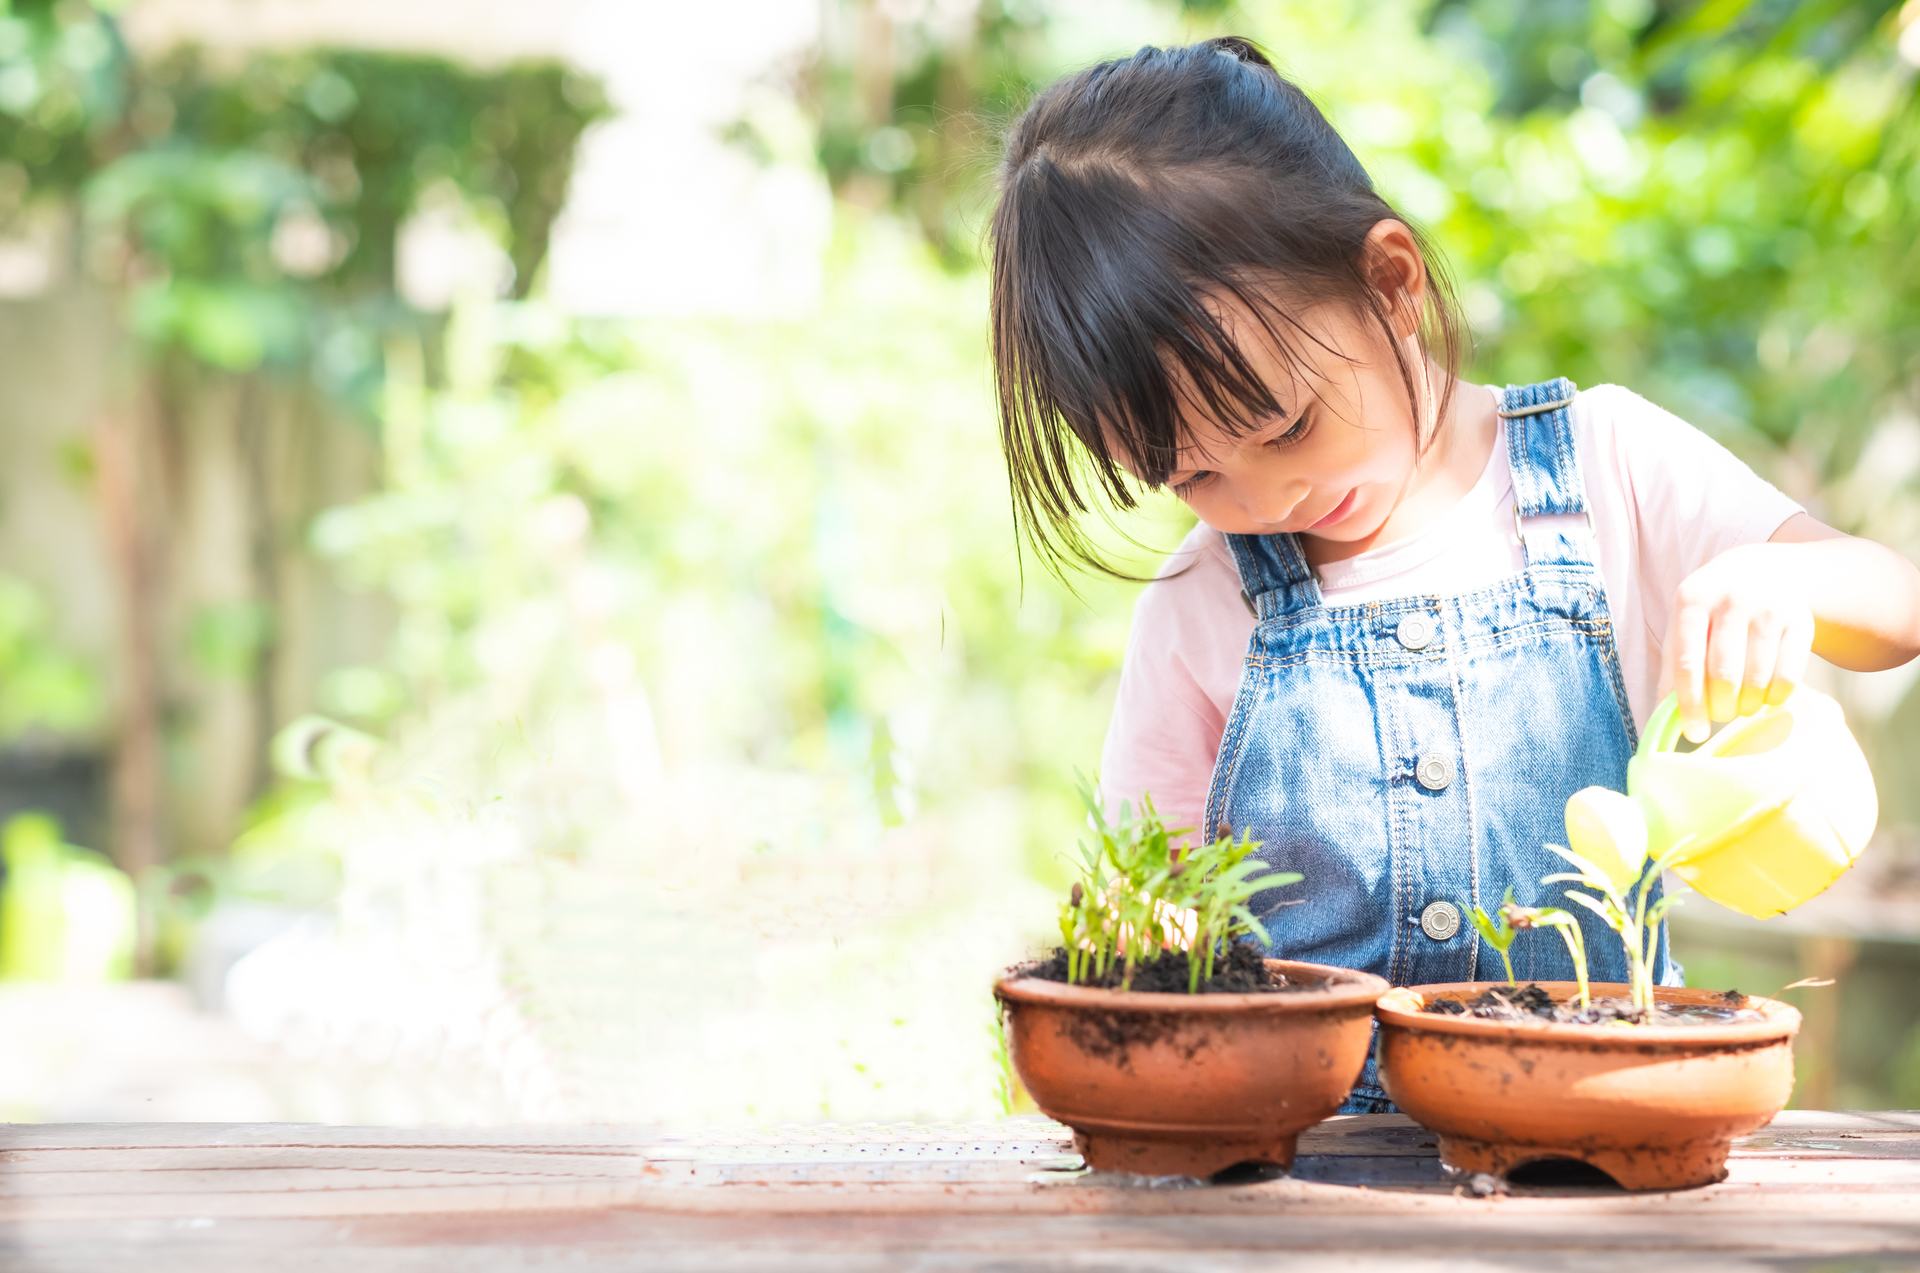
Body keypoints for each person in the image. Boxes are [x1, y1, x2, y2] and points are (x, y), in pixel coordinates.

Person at [988, 37, 1920, 1111]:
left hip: (1602, 1126)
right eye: (1190, 472)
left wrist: (1785, 580)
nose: (1265, 500)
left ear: (1388, 282)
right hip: (1309, 1175)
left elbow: (1893, 604)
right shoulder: (1201, 604)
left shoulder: (1607, 463)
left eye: (1288, 424)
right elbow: (1154, 917)